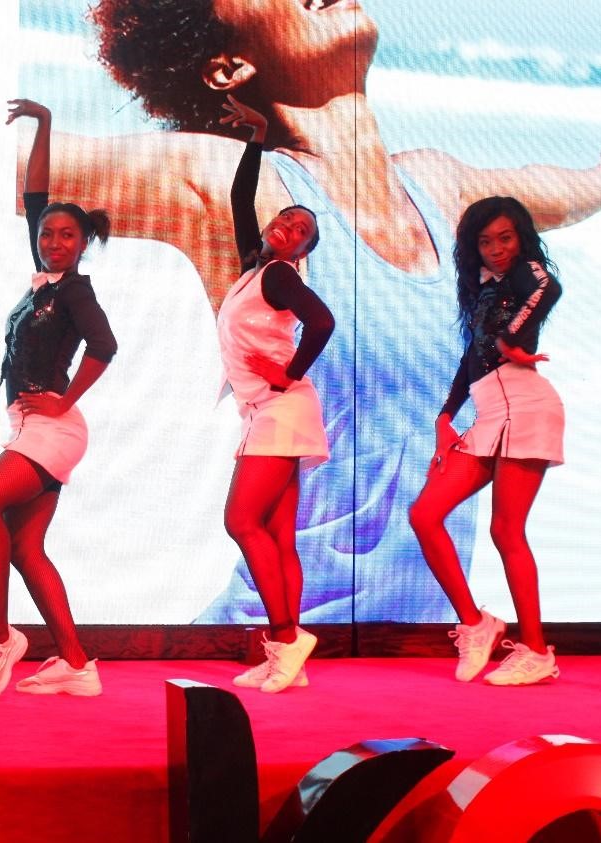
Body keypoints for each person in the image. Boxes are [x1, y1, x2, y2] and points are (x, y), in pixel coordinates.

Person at [10, 0, 601, 624]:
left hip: (420, 645)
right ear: (229, 68)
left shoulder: (438, 184)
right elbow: (10, 166)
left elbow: (549, 194)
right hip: (272, 636)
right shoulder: (230, 179)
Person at [0, 98, 118, 704]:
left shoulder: (75, 291)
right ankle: (76, 663)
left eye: (66, 235)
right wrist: (44, 125)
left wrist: (64, 400)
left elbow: (105, 346)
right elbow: (35, 198)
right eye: (48, 234)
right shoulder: (45, 281)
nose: (53, 241)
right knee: (26, 548)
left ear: (83, 243)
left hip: (53, 427)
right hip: (31, 425)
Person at [408, 195, 563, 686]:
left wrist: (509, 339)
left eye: (506, 238)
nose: (497, 249)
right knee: (425, 515)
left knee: (506, 531)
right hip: (491, 411)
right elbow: (470, 358)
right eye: (486, 241)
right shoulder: (483, 289)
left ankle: (536, 651)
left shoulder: (525, 274)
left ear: (521, 238)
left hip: (525, 406)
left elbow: (549, 286)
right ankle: (476, 624)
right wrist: (445, 417)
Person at [218, 95, 334, 692]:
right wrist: (257, 137)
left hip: (281, 409)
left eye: (303, 231)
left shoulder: (281, 275)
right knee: (279, 535)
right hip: (273, 411)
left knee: (242, 521)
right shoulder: (254, 269)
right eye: (287, 217)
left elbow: (323, 323)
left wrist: (290, 372)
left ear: (301, 252)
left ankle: (287, 638)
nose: (290, 226)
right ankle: (289, 657)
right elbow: (242, 199)